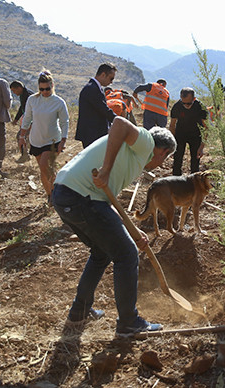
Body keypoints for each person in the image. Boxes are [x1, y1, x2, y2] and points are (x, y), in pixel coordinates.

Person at [51, 117, 176, 333]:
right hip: (81, 196)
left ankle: (78, 312)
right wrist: (106, 169)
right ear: (163, 152)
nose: (160, 164)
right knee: (127, 254)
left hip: (65, 195)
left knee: (101, 253)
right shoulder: (146, 142)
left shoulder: (132, 155)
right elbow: (119, 122)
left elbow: (105, 207)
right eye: (164, 160)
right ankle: (129, 322)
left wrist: (133, 229)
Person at [18, 71, 69, 201]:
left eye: (47, 89)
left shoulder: (59, 102)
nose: (45, 91)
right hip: (36, 140)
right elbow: (27, 118)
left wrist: (63, 140)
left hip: (52, 140)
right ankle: (50, 194)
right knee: (44, 170)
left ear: (52, 86)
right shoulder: (32, 100)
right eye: (41, 89)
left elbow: (64, 122)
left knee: (44, 166)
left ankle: (56, 194)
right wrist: (22, 136)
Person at [75, 63, 117, 149]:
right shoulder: (92, 89)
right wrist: (119, 120)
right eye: (111, 78)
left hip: (94, 133)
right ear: (103, 74)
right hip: (91, 134)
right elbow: (103, 110)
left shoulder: (95, 88)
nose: (111, 82)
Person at [169, 87, 208, 176]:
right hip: (180, 134)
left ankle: (194, 185)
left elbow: (206, 128)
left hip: (195, 135)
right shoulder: (177, 106)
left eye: (189, 103)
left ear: (194, 99)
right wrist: (171, 144)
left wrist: (201, 147)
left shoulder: (200, 107)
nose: (186, 105)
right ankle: (176, 183)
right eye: (184, 103)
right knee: (177, 161)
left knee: (195, 162)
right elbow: (172, 125)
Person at [10, 80, 34, 163]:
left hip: (33, 120)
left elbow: (31, 111)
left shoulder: (27, 95)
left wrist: (30, 123)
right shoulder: (23, 94)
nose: (14, 93)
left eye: (14, 90)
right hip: (29, 120)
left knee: (21, 136)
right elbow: (22, 108)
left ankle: (25, 156)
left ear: (19, 88)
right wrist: (16, 119)